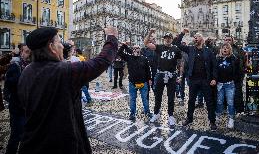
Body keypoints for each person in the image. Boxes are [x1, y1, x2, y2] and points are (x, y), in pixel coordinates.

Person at [17, 26, 118, 154]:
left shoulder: (26, 72)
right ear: (51, 46)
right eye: (59, 42)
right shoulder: (63, 71)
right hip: (61, 146)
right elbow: (101, 61)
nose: (63, 47)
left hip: (30, 144)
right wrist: (112, 37)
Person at [175, 29, 217, 131]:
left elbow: (214, 66)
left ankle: (212, 121)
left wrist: (214, 78)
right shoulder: (191, 49)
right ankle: (189, 118)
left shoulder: (208, 51)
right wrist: (182, 33)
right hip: (193, 80)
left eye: (197, 37)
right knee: (191, 101)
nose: (195, 38)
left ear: (202, 39)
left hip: (205, 80)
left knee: (209, 101)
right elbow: (177, 44)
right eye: (194, 37)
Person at [144, 29, 182, 126]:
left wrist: (180, 75)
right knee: (158, 95)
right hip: (160, 74)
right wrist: (150, 32)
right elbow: (146, 43)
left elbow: (180, 63)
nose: (168, 40)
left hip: (172, 75)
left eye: (169, 38)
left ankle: (170, 115)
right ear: (164, 39)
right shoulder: (159, 47)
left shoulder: (176, 49)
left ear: (172, 39)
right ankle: (156, 113)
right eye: (166, 38)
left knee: (171, 96)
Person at [5, 44, 31, 154]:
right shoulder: (16, 66)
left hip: (29, 108)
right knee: (16, 135)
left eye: (31, 52)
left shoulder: (33, 66)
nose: (29, 54)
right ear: (22, 53)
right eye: (27, 52)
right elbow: (8, 85)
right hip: (17, 108)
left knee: (27, 135)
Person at [118, 43, 152, 120]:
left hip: (143, 83)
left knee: (144, 99)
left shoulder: (144, 58)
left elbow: (148, 70)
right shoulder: (129, 57)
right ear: (132, 50)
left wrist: (149, 79)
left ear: (140, 50)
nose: (136, 49)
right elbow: (119, 53)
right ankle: (132, 114)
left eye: (137, 48)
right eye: (134, 48)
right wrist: (124, 45)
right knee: (132, 99)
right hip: (132, 83)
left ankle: (147, 112)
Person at [215, 43, 240, 129]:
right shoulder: (217, 58)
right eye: (223, 48)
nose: (225, 49)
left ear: (230, 50)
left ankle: (231, 118)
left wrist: (235, 80)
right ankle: (217, 117)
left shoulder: (234, 59)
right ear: (221, 50)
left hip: (230, 84)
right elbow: (214, 70)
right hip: (220, 84)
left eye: (227, 48)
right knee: (219, 101)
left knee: (230, 102)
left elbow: (237, 72)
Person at [223, 35, 245, 114]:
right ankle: (225, 108)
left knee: (237, 94)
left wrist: (241, 73)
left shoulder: (238, 50)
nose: (227, 41)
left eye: (229, 40)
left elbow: (243, 62)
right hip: (225, 77)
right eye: (226, 40)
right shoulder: (221, 50)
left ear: (232, 41)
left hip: (236, 76)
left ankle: (239, 110)